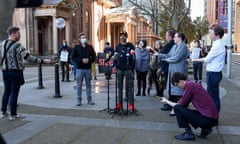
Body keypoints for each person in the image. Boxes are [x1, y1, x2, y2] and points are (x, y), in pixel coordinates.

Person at [0, 26, 50, 120]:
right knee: (14, 92)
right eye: (19, 33)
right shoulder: (18, 46)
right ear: (14, 34)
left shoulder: (2, 44)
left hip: (5, 72)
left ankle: (3, 112)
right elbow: (28, 57)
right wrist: (42, 61)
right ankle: (13, 114)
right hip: (15, 72)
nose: (20, 35)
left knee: (6, 91)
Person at [159, 72, 219, 141]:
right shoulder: (191, 84)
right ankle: (206, 129)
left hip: (208, 120)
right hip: (212, 119)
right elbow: (183, 104)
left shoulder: (189, 86)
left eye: (177, 84)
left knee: (177, 108)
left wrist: (166, 101)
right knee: (181, 109)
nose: (178, 87)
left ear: (181, 81)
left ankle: (189, 133)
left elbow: (179, 106)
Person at [192, 25, 225, 112]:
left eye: (211, 32)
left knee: (212, 96)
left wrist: (194, 59)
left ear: (217, 34)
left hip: (213, 74)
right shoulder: (218, 44)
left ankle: (213, 115)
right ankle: (213, 114)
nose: (209, 34)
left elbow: (207, 59)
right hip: (214, 73)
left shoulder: (217, 45)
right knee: (213, 96)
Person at [155, 32, 189, 116]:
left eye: (175, 37)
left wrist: (167, 60)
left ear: (180, 38)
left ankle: (177, 108)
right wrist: (158, 54)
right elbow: (168, 55)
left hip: (179, 70)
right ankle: (174, 107)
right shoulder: (174, 46)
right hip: (172, 70)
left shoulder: (183, 47)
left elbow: (176, 58)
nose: (174, 38)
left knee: (178, 89)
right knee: (173, 88)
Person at [71, 33, 96, 106]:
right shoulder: (76, 47)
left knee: (88, 85)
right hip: (80, 69)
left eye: (84, 37)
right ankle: (79, 100)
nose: (83, 39)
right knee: (79, 85)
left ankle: (89, 99)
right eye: (82, 38)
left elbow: (94, 56)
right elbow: (73, 57)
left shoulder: (90, 47)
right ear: (79, 39)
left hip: (88, 69)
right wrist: (81, 60)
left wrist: (89, 60)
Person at [114, 31, 135, 110]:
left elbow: (134, 57)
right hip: (119, 69)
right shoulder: (118, 46)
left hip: (128, 69)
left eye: (124, 36)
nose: (122, 37)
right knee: (119, 87)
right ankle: (119, 103)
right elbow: (115, 57)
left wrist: (132, 68)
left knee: (129, 87)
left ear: (126, 37)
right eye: (121, 36)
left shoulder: (130, 46)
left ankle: (130, 104)